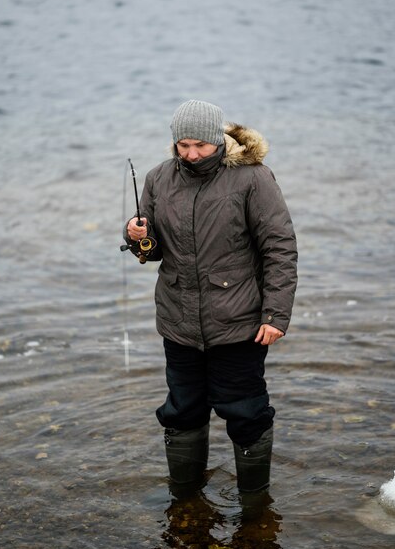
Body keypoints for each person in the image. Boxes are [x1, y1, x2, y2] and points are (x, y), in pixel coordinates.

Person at [124, 100, 297, 494]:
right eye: (182, 145)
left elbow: (280, 248)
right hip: (178, 321)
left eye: (200, 145)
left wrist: (276, 315)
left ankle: (255, 508)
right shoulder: (158, 178)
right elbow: (151, 252)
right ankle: (184, 498)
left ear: (218, 139)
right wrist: (135, 236)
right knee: (182, 410)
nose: (191, 154)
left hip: (240, 323)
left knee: (246, 412)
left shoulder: (253, 178)